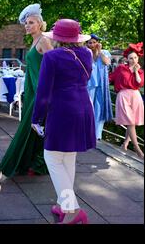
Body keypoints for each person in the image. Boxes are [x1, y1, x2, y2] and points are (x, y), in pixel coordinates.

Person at [31, 19, 94, 224]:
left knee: (53, 159)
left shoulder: (52, 57)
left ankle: (72, 209)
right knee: (68, 159)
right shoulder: (87, 53)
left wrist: (36, 118)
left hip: (62, 111)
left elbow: (43, 93)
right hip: (83, 108)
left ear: (57, 38)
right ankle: (62, 204)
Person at [0, 3, 53, 177]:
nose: (27, 25)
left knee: (32, 125)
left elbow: (54, 64)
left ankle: (33, 163)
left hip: (41, 89)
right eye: (26, 23)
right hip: (31, 87)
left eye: (31, 22)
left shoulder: (44, 40)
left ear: (39, 24)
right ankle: (34, 162)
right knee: (34, 126)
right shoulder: (34, 41)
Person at [109, 42, 144, 159]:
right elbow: (110, 78)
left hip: (136, 96)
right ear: (127, 59)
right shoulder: (121, 68)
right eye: (131, 58)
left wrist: (135, 71)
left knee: (132, 122)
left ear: (138, 58)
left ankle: (125, 143)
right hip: (123, 95)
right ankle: (137, 148)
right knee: (130, 122)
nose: (133, 60)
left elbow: (139, 83)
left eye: (135, 58)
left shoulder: (140, 72)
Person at [86, 34, 113, 140]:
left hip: (101, 85)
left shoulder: (105, 52)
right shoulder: (86, 53)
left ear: (97, 42)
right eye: (90, 42)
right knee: (89, 108)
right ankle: (87, 132)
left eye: (94, 42)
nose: (92, 44)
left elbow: (107, 62)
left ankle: (97, 134)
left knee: (99, 109)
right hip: (90, 84)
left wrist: (99, 51)